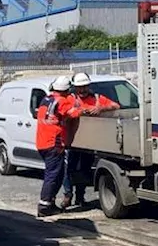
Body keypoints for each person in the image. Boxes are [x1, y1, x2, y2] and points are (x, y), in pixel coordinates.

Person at [59, 72, 121, 208]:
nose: (82, 90)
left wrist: (101, 108)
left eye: (85, 87)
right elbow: (63, 113)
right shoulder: (70, 99)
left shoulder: (97, 98)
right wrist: (78, 111)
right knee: (68, 170)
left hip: (90, 143)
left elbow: (116, 106)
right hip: (72, 142)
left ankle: (80, 196)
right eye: (79, 87)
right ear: (74, 87)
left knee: (84, 170)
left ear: (89, 86)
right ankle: (68, 195)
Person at [35, 75, 83, 216]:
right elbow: (74, 113)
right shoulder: (61, 101)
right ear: (67, 90)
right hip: (54, 143)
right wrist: (83, 108)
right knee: (53, 175)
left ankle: (49, 203)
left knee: (57, 173)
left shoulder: (46, 99)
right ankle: (44, 206)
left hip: (42, 142)